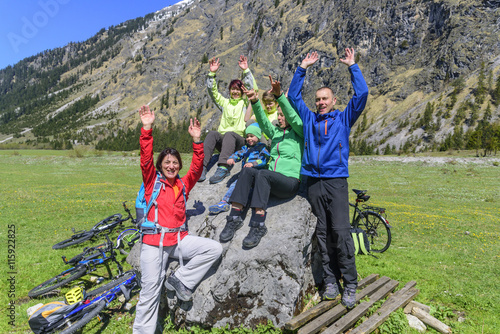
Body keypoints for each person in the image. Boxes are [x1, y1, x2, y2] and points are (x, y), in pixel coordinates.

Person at [287, 48, 369, 308]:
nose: (321, 102)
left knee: (341, 233)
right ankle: (331, 281)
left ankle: (351, 283)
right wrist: (303, 67)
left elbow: (362, 94)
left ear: (334, 101)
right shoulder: (309, 118)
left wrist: (352, 66)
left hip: (335, 181)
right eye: (318, 99)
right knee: (322, 233)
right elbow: (292, 96)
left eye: (325, 99)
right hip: (313, 181)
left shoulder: (344, 119)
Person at [133, 105, 222, 334]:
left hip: (178, 241)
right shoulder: (153, 182)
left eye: (175, 163)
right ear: (160, 166)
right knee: (150, 292)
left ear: (178, 166)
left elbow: (197, 167)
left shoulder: (183, 185)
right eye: (167, 163)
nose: (171, 166)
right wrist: (147, 128)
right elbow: (145, 160)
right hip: (154, 244)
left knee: (213, 249)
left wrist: (196, 140)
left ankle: (181, 279)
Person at [219, 77, 303, 249]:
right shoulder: (276, 133)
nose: (279, 118)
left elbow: (294, 119)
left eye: (282, 115)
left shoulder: (300, 131)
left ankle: (258, 224)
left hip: (289, 182)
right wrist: (255, 101)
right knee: (248, 169)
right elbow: (264, 123)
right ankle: (234, 217)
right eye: (278, 115)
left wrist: (280, 97)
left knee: (263, 174)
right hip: (272, 179)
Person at [201, 55, 257, 184]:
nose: (235, 92)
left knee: (230, 134)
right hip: (225, 143)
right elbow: (212, 92)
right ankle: (202, 167)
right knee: (213, 134)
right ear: (230, 90)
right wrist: (212, 73)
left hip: (239, 142)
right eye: (233, 89)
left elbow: (253, 89)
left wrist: (246, 70)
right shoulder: (224, 103)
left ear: (242, 91)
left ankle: (223, 167)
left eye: (238, 89)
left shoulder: (244, 103)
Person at [208, 123, 270, 214]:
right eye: (247, 136)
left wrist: (253, 164)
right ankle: (224, 202)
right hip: (246, 175)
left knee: (242, 186)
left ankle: (238, 204)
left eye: (252, 136)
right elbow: (239, 153)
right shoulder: (246, 148)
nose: (249, 139)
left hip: (257, 174)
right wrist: (232, 158)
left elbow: (264, 160)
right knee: (234, 184)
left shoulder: (262, 148)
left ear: (258, 136)